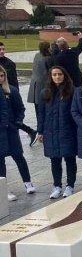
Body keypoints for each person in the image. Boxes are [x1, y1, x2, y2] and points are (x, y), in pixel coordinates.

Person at [36, 66, 77, 198]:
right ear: (50, 76)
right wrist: (40, 131)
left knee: (69, 158)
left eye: (59, 74)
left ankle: (70, 185)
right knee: (54, 160)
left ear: (64, 75)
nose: (57, 77)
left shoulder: (71, 91)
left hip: (67, 130)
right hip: (51, 131)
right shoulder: (45, 92)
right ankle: (57, 186)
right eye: (54, 75)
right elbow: (41, 114)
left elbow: (74, 112)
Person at [0, 67, 34, 200]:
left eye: (2, 76)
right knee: (0, 161)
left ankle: (28, 182)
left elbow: (20, 108)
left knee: (18, 156)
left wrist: (18, 122)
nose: (0, 78)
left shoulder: (12, 90)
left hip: (11, 130)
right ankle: (3, 190)